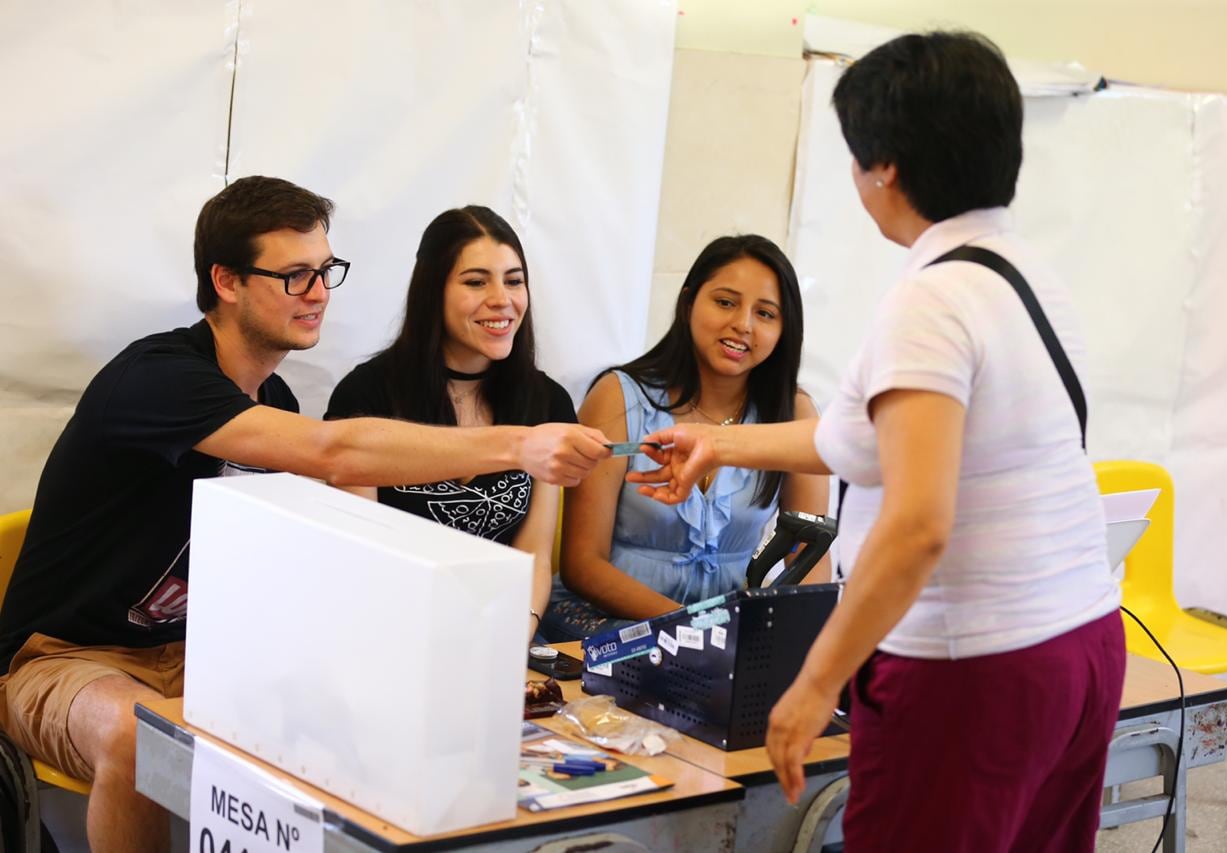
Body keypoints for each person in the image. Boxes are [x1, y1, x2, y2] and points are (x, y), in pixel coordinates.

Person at [0, 177, 608, 852]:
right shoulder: (156, 377)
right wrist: (521, 443)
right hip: (61, 656)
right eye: (294, 276)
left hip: (206, 651)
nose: (319, 293)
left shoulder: (279, 395)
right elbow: (336, 451)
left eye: (325, 271)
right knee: (136, 733)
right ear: (225, 280)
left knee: (360, 722)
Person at [630, 33, 1124, 853]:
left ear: (885, 166)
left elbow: (919, 520)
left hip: (974, 667)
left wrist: (815, 679)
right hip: (1079, 645)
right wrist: (721, 446)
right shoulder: (1025, 276)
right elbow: (855, 436)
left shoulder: (929, 303)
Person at [542, 235, 829, 643]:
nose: (743, 324)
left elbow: (811, 557)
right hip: (611, 624)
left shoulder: (795, 414)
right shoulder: (618, 397)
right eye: (726, 302)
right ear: (688, 301)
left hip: (726, 639)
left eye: (765, 313)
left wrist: (788, 640)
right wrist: (697, 627)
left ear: (785, 330)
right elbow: (582, 564)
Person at [326, 206, 575, 641]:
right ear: (432, 291)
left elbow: (535, 554)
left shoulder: (547, 401)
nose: (502, 299)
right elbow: (356, 556)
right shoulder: (365, 395)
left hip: (503, 631)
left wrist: (517, 633)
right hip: (387, 629)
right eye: (476, 281)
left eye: (514, 281)